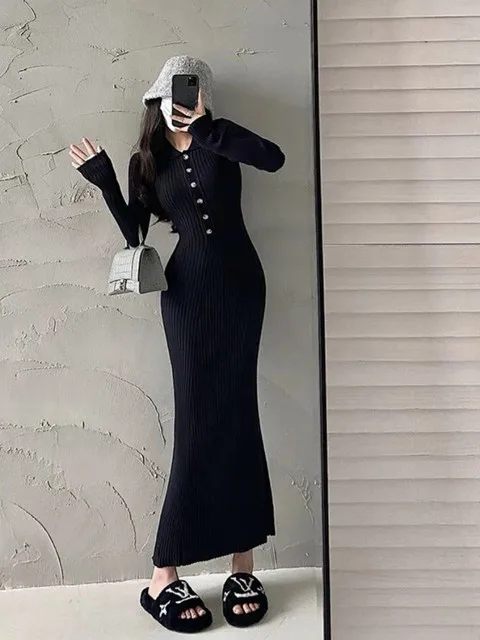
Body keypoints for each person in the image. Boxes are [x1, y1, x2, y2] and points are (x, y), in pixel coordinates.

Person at [69, 55, 285, 634]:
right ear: (155, 100)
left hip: (241, 288)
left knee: (240, 415)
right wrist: (106, 181)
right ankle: (162, 575)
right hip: (186, 295)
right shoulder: (149, 160)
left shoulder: (223, 139)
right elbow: (136, 234)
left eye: (188, 91)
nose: (178, 101)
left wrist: (210, 127)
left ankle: (243, 563)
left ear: (202, 95)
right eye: (169, 93)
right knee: (195, 422)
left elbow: (274, 158)